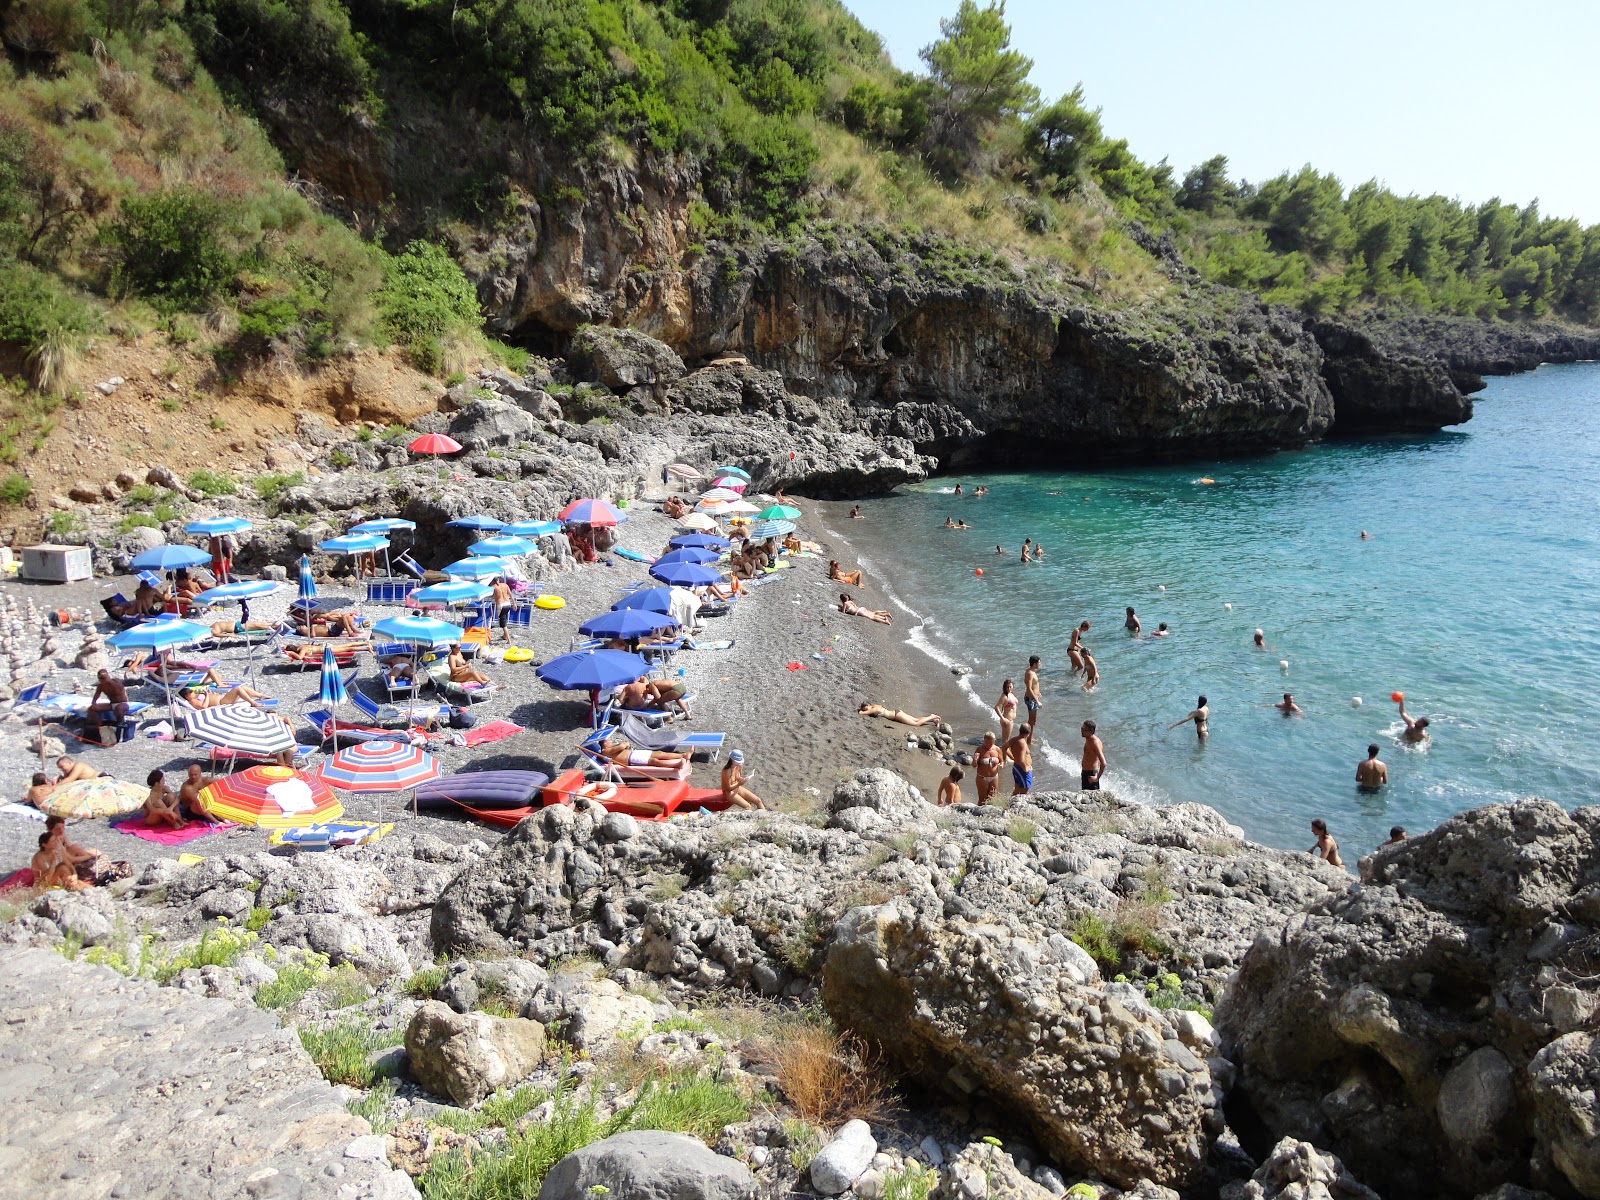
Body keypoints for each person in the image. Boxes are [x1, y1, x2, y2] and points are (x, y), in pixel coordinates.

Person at [600, 736, 688, 771]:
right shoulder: (604, 751)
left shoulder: (610, 748)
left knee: (659, 753)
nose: (611, 741)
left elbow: (621, 747)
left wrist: (625, 745)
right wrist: (625, 744)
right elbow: (621, 747)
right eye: (609, 740)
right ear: (604, 743)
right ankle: (675, 766)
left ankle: (683, 755)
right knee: (653, 761)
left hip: (634, 753)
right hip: (631, 759)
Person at [182, 683, 271, 710]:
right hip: (221, 703)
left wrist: (208, 693)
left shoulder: (195, 697)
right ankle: (253, 703)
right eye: (190, 692)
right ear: (187, 696)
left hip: (222, 698)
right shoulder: (192, 701)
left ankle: (260, 695)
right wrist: (207, 696)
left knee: (242, 687)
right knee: (237, 689)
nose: (193, 692)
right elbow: (203, 707)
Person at [973, 732, 1002, 805]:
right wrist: (975, 760)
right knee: (982, 799)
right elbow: (974, 766)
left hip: (994, 777)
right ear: (984, 740)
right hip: (982, 777)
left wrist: (1001, 765)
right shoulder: (979, 749)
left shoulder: (997, 749)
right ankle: (978, 814)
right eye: (987, 742)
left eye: (991, 743)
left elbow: (1002, 761)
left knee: (992, 798)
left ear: (994, 741)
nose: (988, 745)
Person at [858, 702, 942, 727]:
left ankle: (931, 716)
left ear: (868, 706)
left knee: (916, 724)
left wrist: (861, 710)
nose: (867, 710)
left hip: (896, 716)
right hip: (897, 712)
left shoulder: (874, 709)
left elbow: (861, 713)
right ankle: (933, 720)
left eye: (866, 708)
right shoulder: (875, 705)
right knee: (916, 719)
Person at [1005, 725, 1033, 796]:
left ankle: (1009, 804)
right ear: (1029, 733)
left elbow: (1004, 747)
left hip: (1017, 767)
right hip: (1021, 769)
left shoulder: (1014, 739)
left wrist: (1012, 757)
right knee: (1024, 790)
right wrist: (1026, 769)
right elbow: (1021, 759)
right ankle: (1014, 805)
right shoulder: (1022, 743)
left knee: (1017, 789)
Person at [1080, 720, 1106, 790]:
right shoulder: (1088, 739)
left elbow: (1103, 763)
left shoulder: (1095, 743)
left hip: (1091, 775)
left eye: (1083, 730)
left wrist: (1097, 778)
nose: (1081, 731)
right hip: (1085, 773)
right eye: (1081, 729)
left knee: (1092, 799)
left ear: (1090, 731)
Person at [993, 679, 1018, 744]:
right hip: (1007, 720)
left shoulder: (1011, 694)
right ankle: (1004, 753)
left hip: (1010, 720)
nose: (1009, 688)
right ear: (1004, 687)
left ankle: (1003, 752)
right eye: (1007, 687)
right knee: (1006, 740)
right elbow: (996, 707)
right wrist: (1003, 718)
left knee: (1005, 739)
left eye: (1010, 687)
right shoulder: (1004, 696)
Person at [490, 577, 515, 642]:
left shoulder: (493, 587)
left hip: (501, 605)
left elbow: (491, 595)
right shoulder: (505, 585)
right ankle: (504, 635)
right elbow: (511, 594)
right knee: (505, 618)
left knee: (503, 623)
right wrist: (514, 604)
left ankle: (509, 640)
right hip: (508, 603)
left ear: (492, 581)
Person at [1024, 656, 1042, 727]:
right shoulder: (1030, 673)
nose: (1040, 664)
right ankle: (1027, 736)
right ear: (1035, 664)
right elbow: (1029, 688)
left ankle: (1030, 736)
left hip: (1034, 698)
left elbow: (1034, 685)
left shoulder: (1031, 671)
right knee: (1031, 720)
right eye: (1039, 663)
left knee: (1033, 720)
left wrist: (1038, 692)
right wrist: (1037, 701)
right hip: (1031, 699)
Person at [209, 618, 274, 638]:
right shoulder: (212, 630)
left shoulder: (213, 626)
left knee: (257, 624)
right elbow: (217, 634)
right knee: (257, 625)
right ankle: (274, 626)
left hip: (237, 624)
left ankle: (273, 624)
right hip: (237, 628)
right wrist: (229, 635)